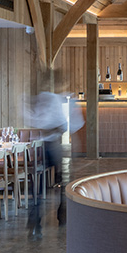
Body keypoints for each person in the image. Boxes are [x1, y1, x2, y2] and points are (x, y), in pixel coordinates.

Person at [25, 82, 82, 234]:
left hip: (42, 146)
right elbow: (66, 125)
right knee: (61, 181)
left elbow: (33, 120)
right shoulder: (55, 99)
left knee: (41, 183)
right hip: (53, 146)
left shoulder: (41, 98)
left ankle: (35, 217)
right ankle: (61, 214)